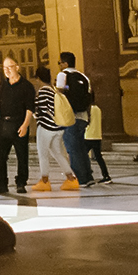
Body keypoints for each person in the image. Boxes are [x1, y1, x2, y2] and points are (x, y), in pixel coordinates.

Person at [0, 57, 34, 195]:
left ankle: (21, 183)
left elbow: (30, 108)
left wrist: (25, 125)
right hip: (3, 123)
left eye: (10, 67)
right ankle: (1, 183)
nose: (7, 70)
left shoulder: (27, 86)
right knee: (0, 156)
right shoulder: (3, 84)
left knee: (21, 156)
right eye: (4, 68)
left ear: (17, 67)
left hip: (18, 124)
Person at [31, 66, 76, 192]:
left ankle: (44, 181)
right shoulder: (54, 90)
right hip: (57, 127)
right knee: (57, 153)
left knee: (43, 154)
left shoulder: (43, 91)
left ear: (38, 78)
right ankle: (71, 178)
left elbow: (39, 111)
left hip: (46, 127)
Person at [55, 52, 94, 187]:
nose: (59, 65)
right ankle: (88, 176)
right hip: (83, 116)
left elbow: (59, 95)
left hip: (69, 117)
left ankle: (80, 178)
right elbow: (90, 97)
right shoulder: (84, 77)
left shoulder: (63, 75)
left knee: (72, 148)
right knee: (81, 148)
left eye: (60, 63)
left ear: (65, 63)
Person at [84, 102, 112, 184]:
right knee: (99, 157)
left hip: (88, 136)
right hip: (97, 136)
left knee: (83, 156)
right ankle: (106, 175)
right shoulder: (98, 109)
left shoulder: (88, 109)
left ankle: (88, 174)